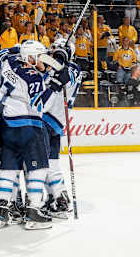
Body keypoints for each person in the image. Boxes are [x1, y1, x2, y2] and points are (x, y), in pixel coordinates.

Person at [0, 40, 71, 230]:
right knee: (39, 168)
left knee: (9, 168)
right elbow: (39, 105)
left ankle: (2, 211)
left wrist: (18, 49)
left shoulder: (9, 63)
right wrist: (55, 86)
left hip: (8, 124)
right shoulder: (32, 76)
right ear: (29, 58)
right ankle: (34, 211)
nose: (43, 60)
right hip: (29, 124)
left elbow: (4, 53)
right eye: (40, 57)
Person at [42, 38, 82, 219]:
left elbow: (57, 79)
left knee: (42, 164)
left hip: (47, 117)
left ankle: (57, 198)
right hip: (57, 120)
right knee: (52, 163)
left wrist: (59, 58)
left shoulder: (66, 67)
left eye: (55, 50)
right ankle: (58, 198)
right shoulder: (71, 68)